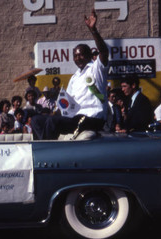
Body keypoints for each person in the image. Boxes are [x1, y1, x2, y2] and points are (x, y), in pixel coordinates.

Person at [31, 8, 109, 140]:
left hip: (92, 118)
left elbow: (104, 52)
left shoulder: (96, 69)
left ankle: (48, 154)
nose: (78, 58)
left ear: (90, 55)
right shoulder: (75, 77)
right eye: (75, 56)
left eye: (81, 55)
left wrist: (93, 30)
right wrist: (54, 114)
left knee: (52, 122)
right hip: (75, 117)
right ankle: (40, 150)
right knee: (36, 120)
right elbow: (66, 103)